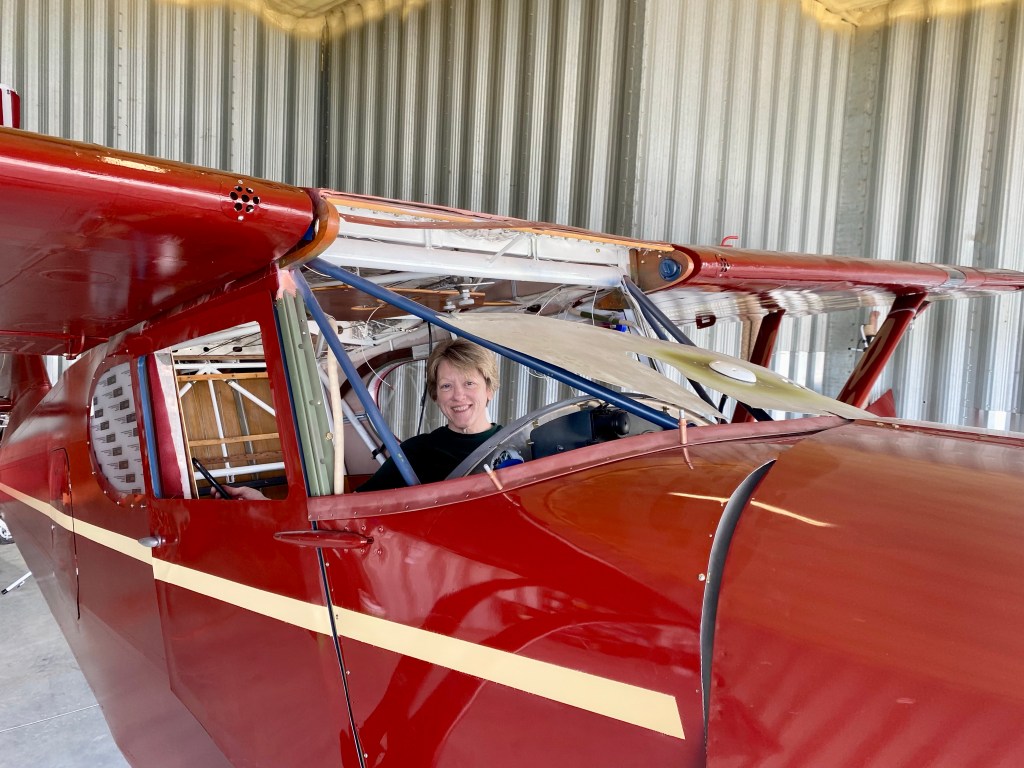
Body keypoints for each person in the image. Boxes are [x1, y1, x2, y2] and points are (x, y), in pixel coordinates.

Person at [357, 338, 501, 492]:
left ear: (489, 390)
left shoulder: (514, 445)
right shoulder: (415, 452)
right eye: (446, 386)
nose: (458, 396)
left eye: (469, 383)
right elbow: (359, 501)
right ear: (435, 395)